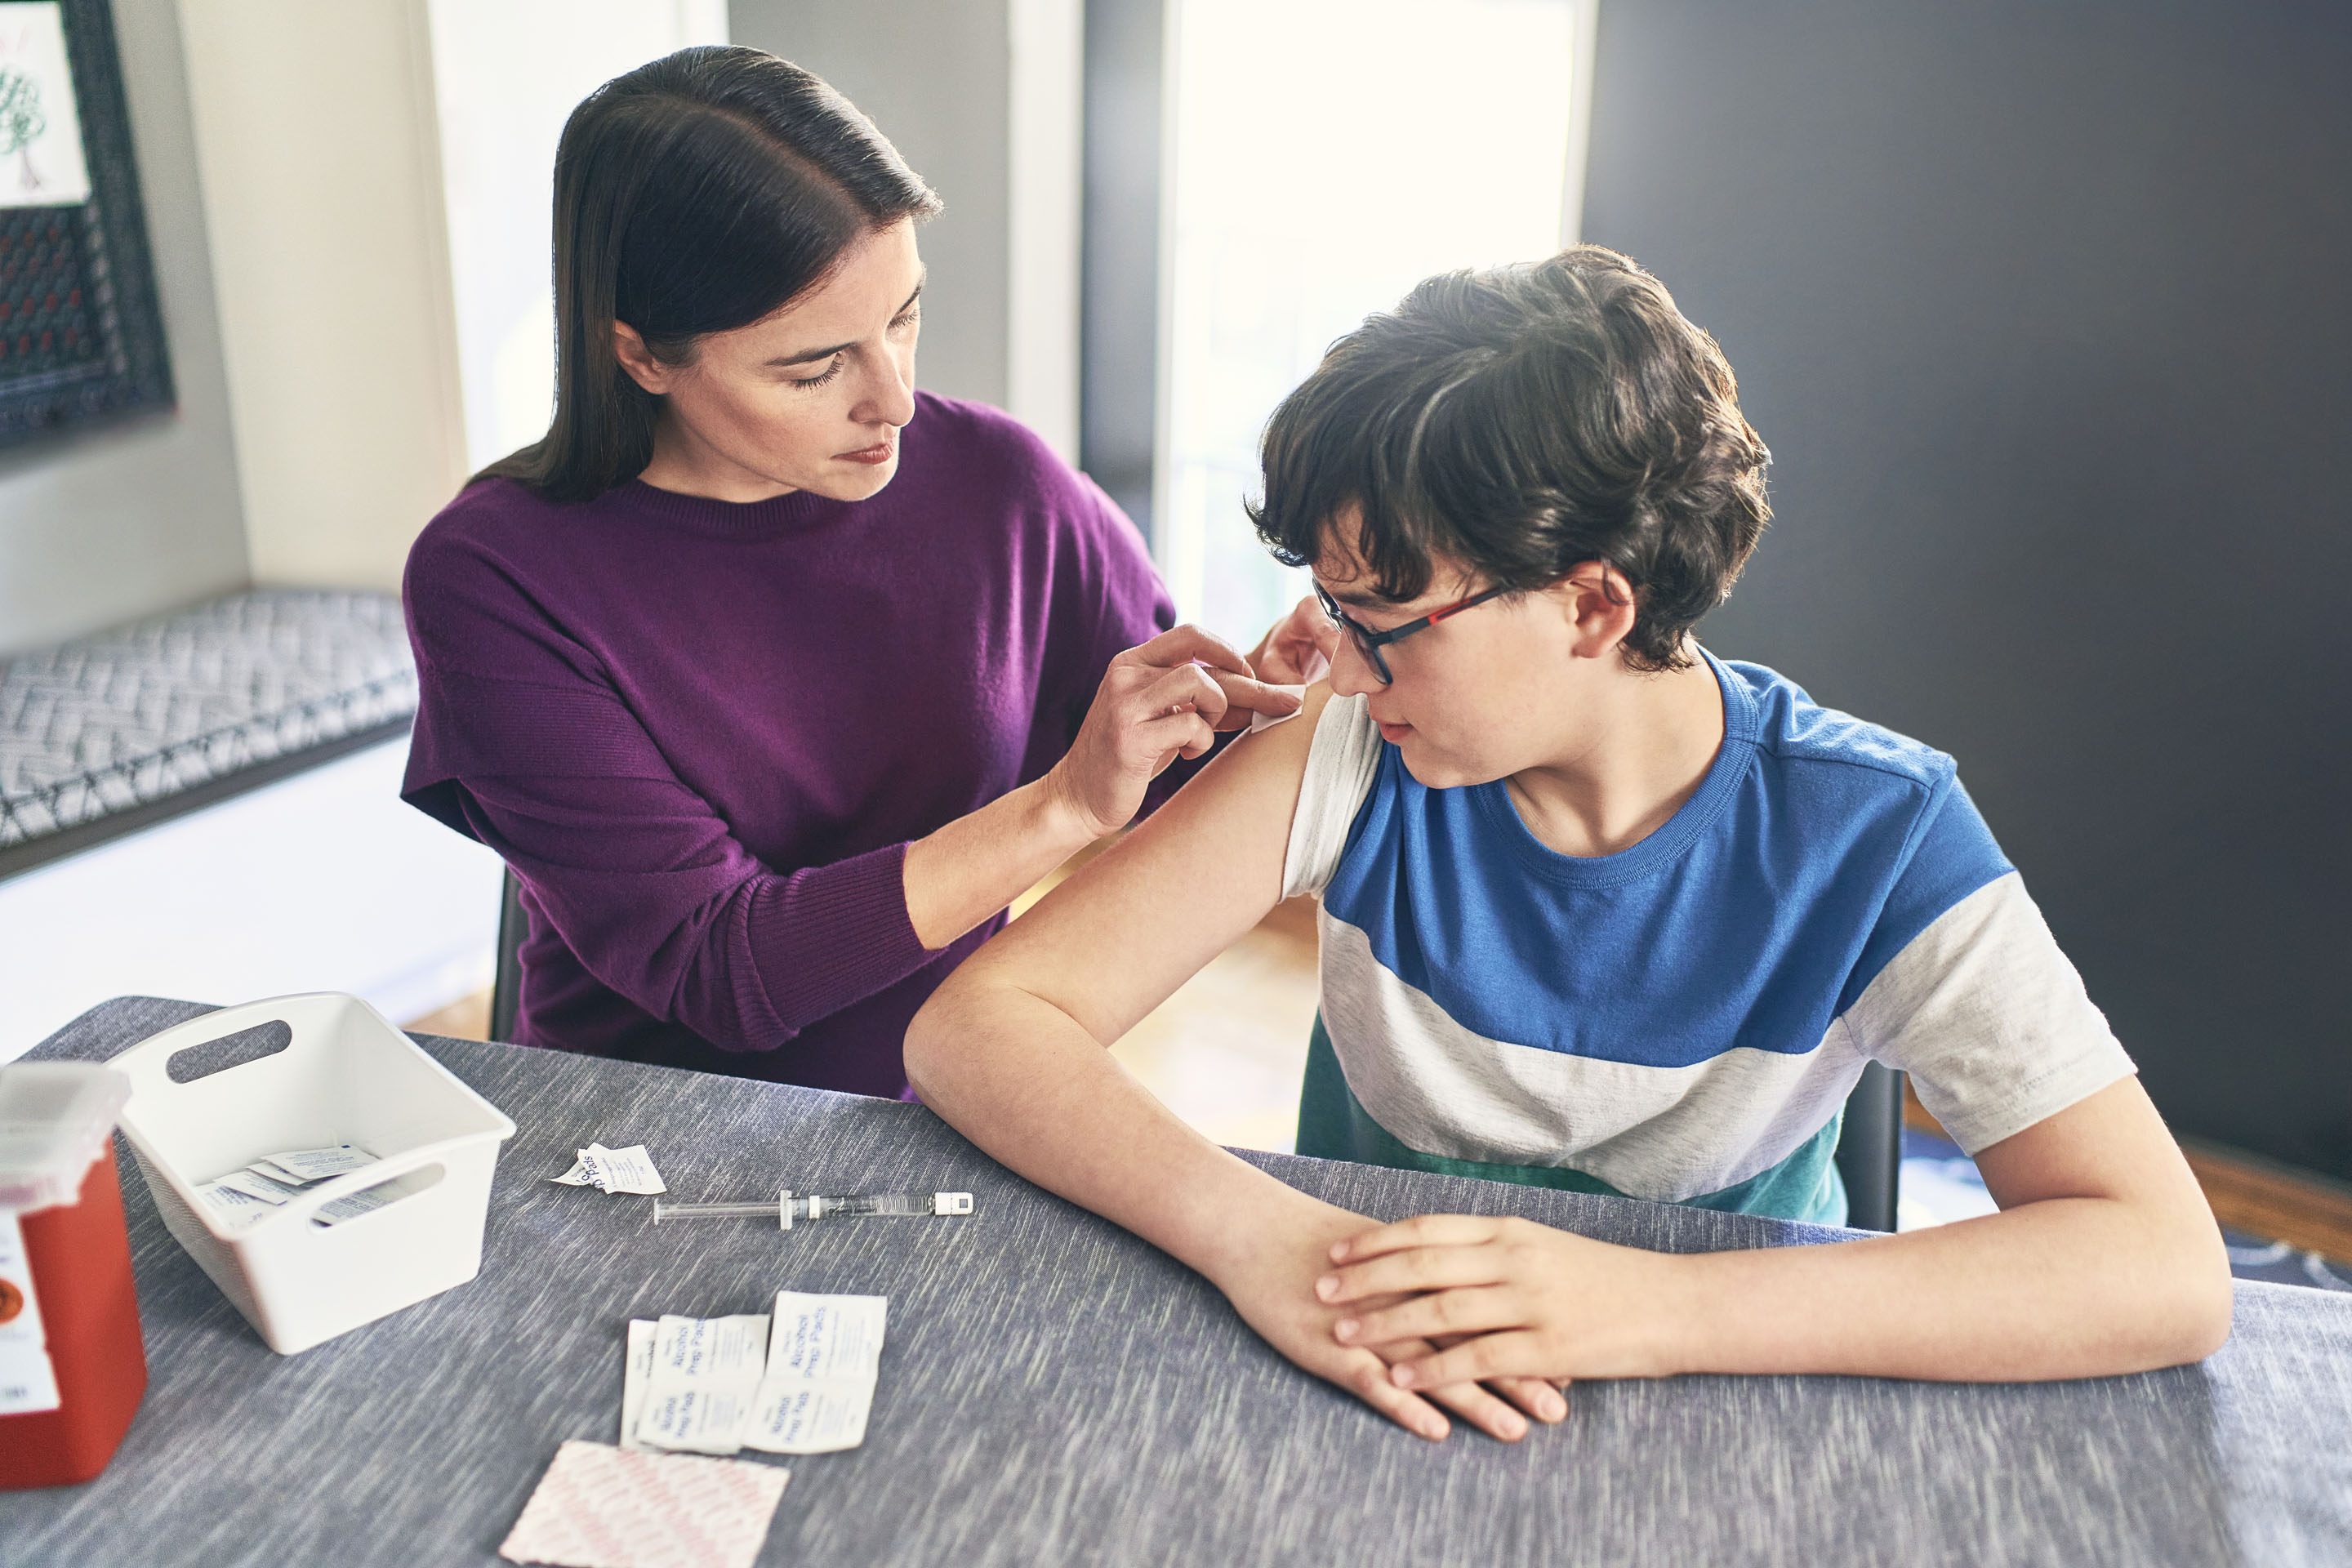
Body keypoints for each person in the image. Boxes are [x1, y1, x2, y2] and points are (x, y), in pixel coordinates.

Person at [904, 246, 2233, 1443]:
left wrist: (1653, 1310)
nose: (1339, 668)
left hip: (1730, 1390)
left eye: (1382, 617)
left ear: (1592, 605)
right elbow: (980, 1025)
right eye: (1330, 609)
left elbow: (2160, 1267)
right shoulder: (1354, 747)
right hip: (1376, 1362)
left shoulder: (1878, 834)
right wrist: (1261, 1238)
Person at [399, 46, 1325, 1094]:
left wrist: (1262, 704)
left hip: (951, 1095)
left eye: (903, 318)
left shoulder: (1000, 484)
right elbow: (724, 972)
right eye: (814, 365)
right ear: (642, 356)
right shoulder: (497, 578)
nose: (893, 400)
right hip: (643, 1132)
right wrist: (1061, 806)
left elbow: (1168, 774)